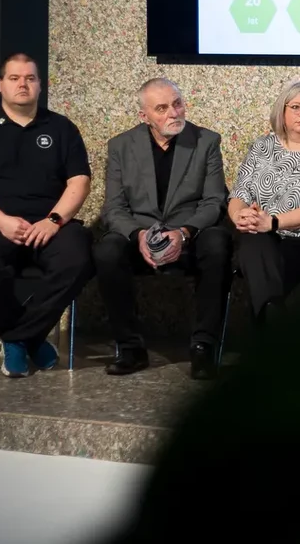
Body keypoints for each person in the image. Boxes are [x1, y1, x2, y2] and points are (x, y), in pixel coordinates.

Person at [0, 52, 93, 378]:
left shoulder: (61, 127)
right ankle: (29, 337)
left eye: (30, 78)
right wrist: (1, 221)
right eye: (14, 78)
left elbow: (80, 181)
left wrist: (53, 221)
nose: (22, 84)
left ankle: (17, 338)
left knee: (78, 259)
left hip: (48, 222)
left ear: (40, 85)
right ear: (0, 84)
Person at [95, 78, 233, 380]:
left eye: (177, 104)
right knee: (107, 251)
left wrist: (183, 233)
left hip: (190, 234)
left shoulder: (206, 141)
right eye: (162, 108)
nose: (173, 113)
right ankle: (130, 347)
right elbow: (114, 208)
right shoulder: (121, 146)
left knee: (218, 243)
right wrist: (138, 235)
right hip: (141, 235)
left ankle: (203, 346)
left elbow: (214, 201)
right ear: (144, 116)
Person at [230, 80, 300, 322]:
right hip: (259, 234)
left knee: (263, 260)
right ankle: (273, 317)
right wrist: (241, 216)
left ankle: (268, 323)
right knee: (253, 241)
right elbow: (239, 194)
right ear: (282, 111)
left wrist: (271, 222)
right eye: (296, 107)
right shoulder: (262, 146)